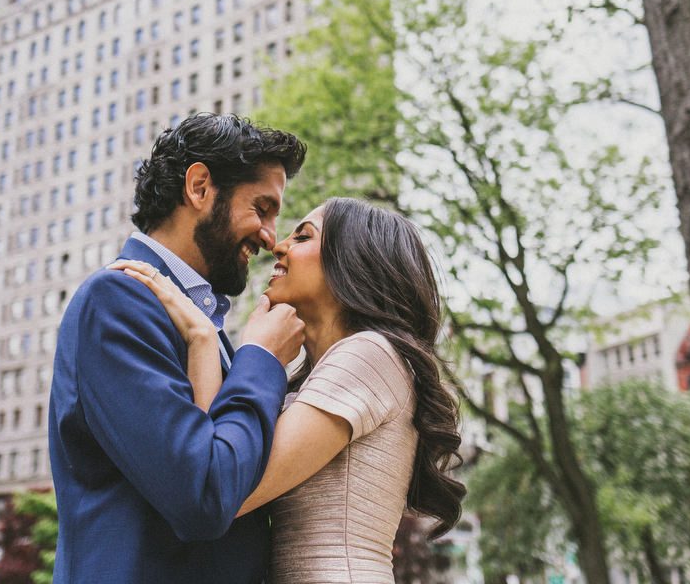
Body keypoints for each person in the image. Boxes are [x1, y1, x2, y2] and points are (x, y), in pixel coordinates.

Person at [113, 196, 466, 583]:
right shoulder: (314, 372)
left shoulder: (369, 355)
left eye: (303, 236)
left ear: (350, 260)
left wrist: (252, 351)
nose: (279, 245)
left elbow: (224, 492)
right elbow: (217, 457)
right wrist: (202, 340)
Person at [48, 114, 308, 584]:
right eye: (262, 208)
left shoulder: (204, 328)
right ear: (200, 187)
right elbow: (204, 494)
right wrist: (264, 359)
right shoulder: (118, 301)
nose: (271, 237)